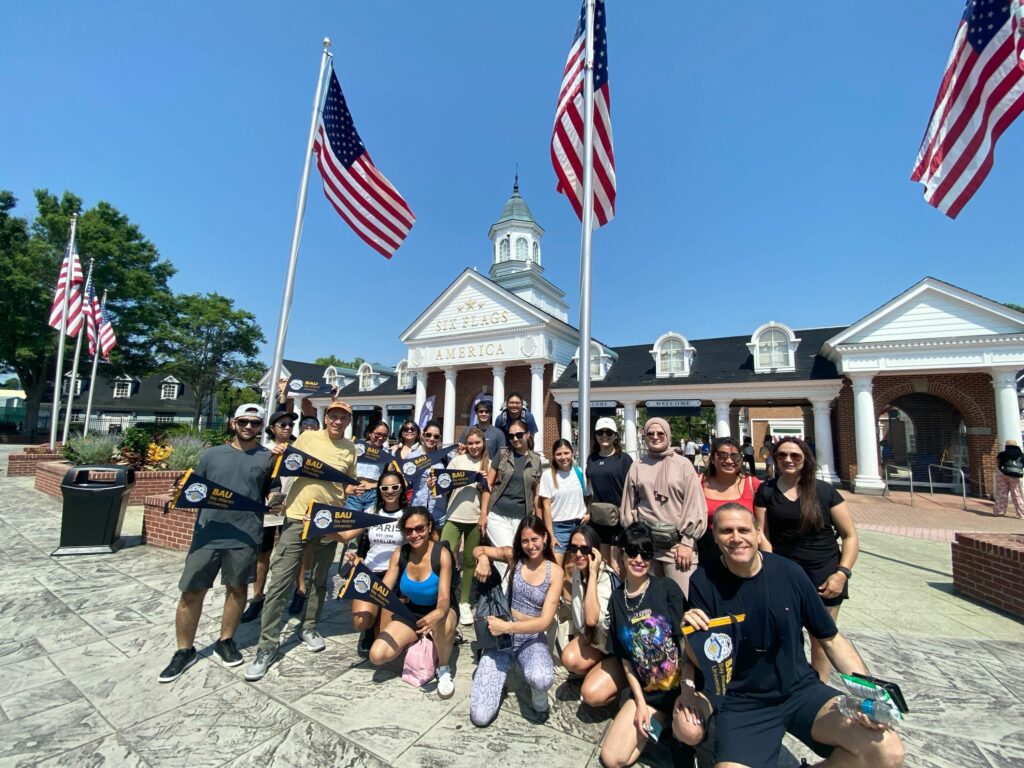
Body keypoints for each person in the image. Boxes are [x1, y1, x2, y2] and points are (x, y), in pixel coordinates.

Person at [686, 504, 905, 768]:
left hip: (800, 691)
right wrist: (690, 635)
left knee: (886, 751)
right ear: (715, 535)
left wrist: (870, 694)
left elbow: (831, 640)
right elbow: (704, 661)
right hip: (744, 703)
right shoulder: (703, 581)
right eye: (726, 531)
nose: (736, 538)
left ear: (758, 533)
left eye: (743, 529)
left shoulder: (789, 573)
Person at [159, 403, 277, 682]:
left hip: (246, 534)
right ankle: (184, 650)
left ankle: (226, 641)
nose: (249, 427)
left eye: (255, 423)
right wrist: (179, 490)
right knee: (191, 591)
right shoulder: (211, 455)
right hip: (208, 533)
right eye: (243, 422)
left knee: (237, 590)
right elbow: (194, 488)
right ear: (233, 424)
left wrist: (273, 499)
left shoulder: (267, 458)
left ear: (261, 428)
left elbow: (271, 489)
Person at [244, 400, 358, 681]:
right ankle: (266, 646)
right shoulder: (308, 438)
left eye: (343, 418)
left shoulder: (350, 448)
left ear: (348, 421)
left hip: (328, 522)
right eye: (333, 416)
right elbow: (288, 462)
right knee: (281, 580)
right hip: (297, 517)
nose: (337, 421)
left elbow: (348, 483)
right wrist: (282, 452)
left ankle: (308, 626)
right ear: (327, 417)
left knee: (320, 581)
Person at [754, 436, 859, 683]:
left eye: (795, 455)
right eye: (782, 455)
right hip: (784, 570)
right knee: (785, 631)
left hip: (824, 572)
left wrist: (842, 573)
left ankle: (819, 685)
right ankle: (792, 680)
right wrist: (773, 567)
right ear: (774, 459)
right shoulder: (766, 490)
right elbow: (762, 532)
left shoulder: (824, 491)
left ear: (805, 459)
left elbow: (850, 536)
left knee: (821, 637)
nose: (788, 460)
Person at [599, 523, 705, 768]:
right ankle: (663, 724)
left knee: (688, 736)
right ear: (622, 554)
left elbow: (685, 645)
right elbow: (626, 660)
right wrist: (639, 703)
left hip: (682, 687)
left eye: (646, 554)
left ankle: (676, 729)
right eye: (633, 552)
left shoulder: (666, 588)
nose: (639, 559)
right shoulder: (617, 600)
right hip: (649, 696)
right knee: (612, 759)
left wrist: (687, 692)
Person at [469, 515, 565, 726]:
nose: (531, 546)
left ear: (545, 538)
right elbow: (478, 549)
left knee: (541, 678)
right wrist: (483, 558)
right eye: (525, 541)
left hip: (530, 638)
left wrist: (509, 626)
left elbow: (545, 622)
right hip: (501, 638)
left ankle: (537, 693)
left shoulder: (555, 572)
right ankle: (498, 680)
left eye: (535, 539)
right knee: (480, 716)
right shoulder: (515, 558)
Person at [368, 507, 459, 699]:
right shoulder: (400, 554)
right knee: (377, 655)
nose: (414, 534)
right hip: (412, 611)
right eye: (408, 530)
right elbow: (382, 591)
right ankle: (418, 640)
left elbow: (444, 599)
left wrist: (438, 613)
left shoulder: (441, 554)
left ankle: (443, 667)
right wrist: (359, 571)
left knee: (440, 621)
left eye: (419, 528)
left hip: (440, 609)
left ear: (429, 527)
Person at [620, 417, 707, 597]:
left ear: (668, 435)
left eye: (660, 433)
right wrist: (633, 541)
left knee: (682, 600)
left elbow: (695, 505)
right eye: (650, 433)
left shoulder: (684, 465)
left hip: (677, 547)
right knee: (650, 602)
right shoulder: (637, 466)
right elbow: (628, 505)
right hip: (646, 547)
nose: (655, 437)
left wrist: (687, 542)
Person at [342, 469, 409, 657]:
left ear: (401, 489)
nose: (390, 491)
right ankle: (369, 625)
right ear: (379, 489)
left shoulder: (407, 514)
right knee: (360, 622)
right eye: (385, 487)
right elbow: (346, 535)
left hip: (394, 575)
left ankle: (380, 618)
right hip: (370, 573)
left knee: (384, 642)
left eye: (395, 487)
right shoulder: (372, 511)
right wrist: (316, 525)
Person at [239, 409, 296, 624]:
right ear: (272, 428)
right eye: (282, 424)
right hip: (269, 510)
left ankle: (294, 593)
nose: (287, 428)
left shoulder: (298, 450)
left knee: (292, 554)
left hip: (292, 508)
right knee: (263, 554)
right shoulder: (263, 451)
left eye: (290, 424)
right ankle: (257, 597)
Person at [560, 524, 625, 708]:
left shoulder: (605, 578)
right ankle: (599, 670)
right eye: (574, 548)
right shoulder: (579, 572)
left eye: (584, 549)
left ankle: (619, 681)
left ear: (595, 551)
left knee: (591, 695)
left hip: (618, 651)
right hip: (597, 642)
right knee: (569, 659)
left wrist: (594, 573)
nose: (578, 554)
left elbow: (591, 619)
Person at [438, 426, 490, 625]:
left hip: (474, 517)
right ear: (465, 445)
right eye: (470, 443)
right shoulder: (457, 461)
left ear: (483, 443)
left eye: (477, 443)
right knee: (445, 557)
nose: (474, 446)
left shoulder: (488, 464)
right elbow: (444, 485)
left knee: (469, 561)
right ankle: (444, 597)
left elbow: (489, 492)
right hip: (454, 515)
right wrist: (435, 483)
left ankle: (464, 601)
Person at [479, 418, 543, 552]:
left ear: (527, 434)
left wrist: (539, 521)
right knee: (507, 553)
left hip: (522, 517)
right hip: (497, 514)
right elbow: (488, 484)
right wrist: (483, 513)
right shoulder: (503, 454)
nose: (515, 438)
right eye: (511, 435)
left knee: (519, 554)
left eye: (519, 434)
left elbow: (536, 494)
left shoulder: (536, 460)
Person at [697, 436, 760, 568]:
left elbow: (762, 525)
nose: (729, 460)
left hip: (743, 549)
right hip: (706, 549)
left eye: (735, 456)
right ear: (713, 458)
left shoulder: (753, 484)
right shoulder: (697, 483)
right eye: (722, 456)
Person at [586, 416, 633, 568]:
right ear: (595, 435)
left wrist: (628, 513)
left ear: (615, 436)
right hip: (598, 519)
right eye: (600, 432)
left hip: (619, 518)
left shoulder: (624, 459)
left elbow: (632, 490)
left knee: (618, 564)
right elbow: (589, 489)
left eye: (608, 432)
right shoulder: (591, 459)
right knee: (602, 563)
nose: (604, 436)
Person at [539, 438, 589, 564]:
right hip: (558, 528)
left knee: (572, 570)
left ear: (572, 453)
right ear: (554, 456)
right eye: (559, 454)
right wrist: (550, 535)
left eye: (566, 453)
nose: (563, 457)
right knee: (555, 567)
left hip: (579, 525)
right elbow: (546, 507)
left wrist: (589, 513)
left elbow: (588, 496)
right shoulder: (548, 475)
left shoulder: (579, 472)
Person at [413, 420, 449, 529]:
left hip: (438, 512)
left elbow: (450, 485)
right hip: (417, 509)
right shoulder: (412, 457)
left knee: (436, 545)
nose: (432, 439)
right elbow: (405, 483)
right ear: (423, 435)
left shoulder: (446, 458)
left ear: (439, 439)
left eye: (436, 436)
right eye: (428, 435)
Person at [994, 439, 1024, 518]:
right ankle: (1021, 513)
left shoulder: (1001, 454)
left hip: (1002, 474)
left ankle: (999, 511)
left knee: (1001, 493)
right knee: (1016, 494)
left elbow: (998, 464)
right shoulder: (1021, 455)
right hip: (1015, 476)